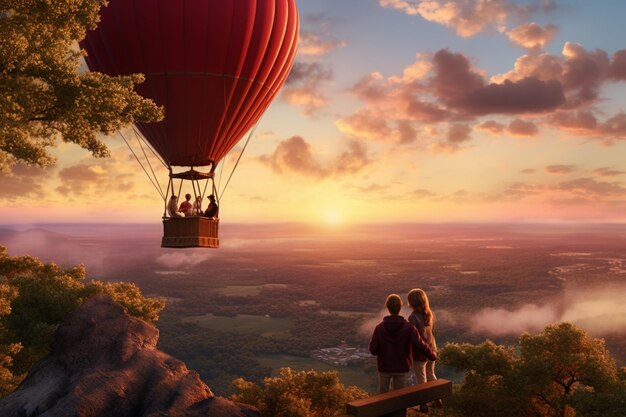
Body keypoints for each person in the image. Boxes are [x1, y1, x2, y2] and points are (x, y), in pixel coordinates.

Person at [369, 294, 437, 394]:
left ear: (388, 307)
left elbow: (373, 350)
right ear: (400, 307)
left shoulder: (379, 328)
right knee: (400, 398)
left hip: (384, 367)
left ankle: (386, 410)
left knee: (382, 399)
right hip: (402, 367)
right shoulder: (409, 328)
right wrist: (431, 355)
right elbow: (419, 343)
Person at [407, 288, 442, 411]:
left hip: (420, 353)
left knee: (421, 378)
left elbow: (414, 339)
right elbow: (431, 334)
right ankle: (438, 399)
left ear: (411, 302)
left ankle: (423, 404)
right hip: (432, 349)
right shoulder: (428, 314)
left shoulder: (412, 318)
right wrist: (432, 351)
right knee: (431, 373)